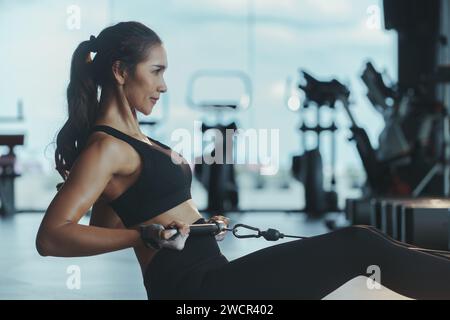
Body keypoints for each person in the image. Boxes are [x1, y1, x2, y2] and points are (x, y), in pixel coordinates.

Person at [36, 21, 450, 300]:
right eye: (157, 71)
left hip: (210, 273)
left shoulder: (133, 141)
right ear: (121, 71)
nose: (164, 85)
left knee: (374, 243)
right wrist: (145, 234)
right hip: (195, 290)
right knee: (359, 244)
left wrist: (198, 226)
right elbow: (51, 238)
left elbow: (107, 223)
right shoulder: (105, 146)